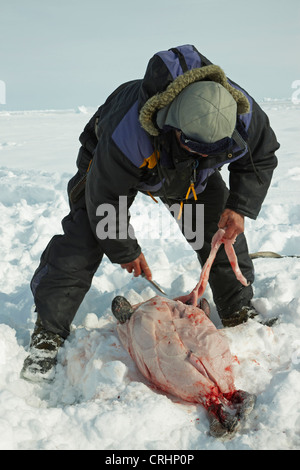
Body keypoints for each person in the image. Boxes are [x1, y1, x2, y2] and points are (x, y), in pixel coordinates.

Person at [21, 45, 279, 382]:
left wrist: (239, 207)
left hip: (188, 174)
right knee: (84, 239)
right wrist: (125, 249)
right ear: (172, 126)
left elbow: (260, 156)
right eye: (196, 145)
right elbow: (106, 199)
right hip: (111, 167)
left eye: (211, 150)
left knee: (217, 232)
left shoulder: (241, 113)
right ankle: (48, 334)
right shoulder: (127, 134)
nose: (204, 152)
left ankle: (237, 309)